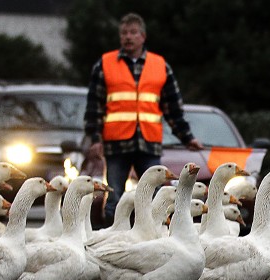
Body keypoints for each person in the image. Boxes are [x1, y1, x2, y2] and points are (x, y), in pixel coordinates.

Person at [84, 12, 203, 227]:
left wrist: (187, 138)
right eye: (124, 33)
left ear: (143, 36)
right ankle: (114, 238)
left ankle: (155, 235)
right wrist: (94, 138)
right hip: (116, 144)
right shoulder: (105, 64)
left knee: (156, 195)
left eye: (133, 33)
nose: (128, 37)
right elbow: (94, 106)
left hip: (148, 143)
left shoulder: (160, 66)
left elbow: (173, 107)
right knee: (115, 196)